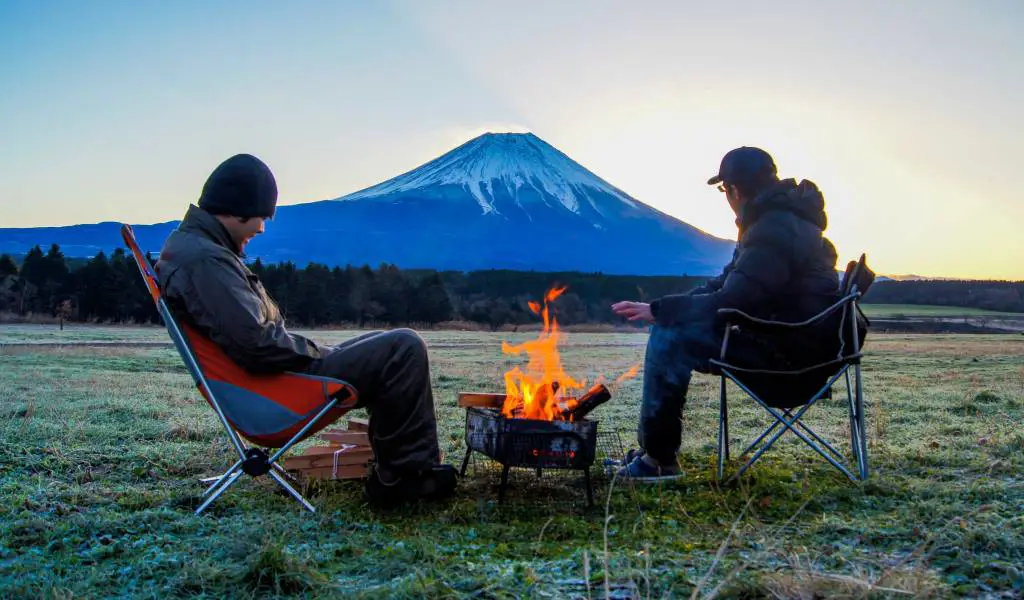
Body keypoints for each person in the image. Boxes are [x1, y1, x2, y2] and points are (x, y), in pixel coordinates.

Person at [155, 153, 456, 506]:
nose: (262, 229)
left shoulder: (197, 250)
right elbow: (256, 344)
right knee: (403, 347)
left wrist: (320, 352)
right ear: (237, 209)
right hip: (272, 388)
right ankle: (406, 478)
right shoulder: (206, 260)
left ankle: (399, 471)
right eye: (262, 217)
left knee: (383, 343)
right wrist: (316, 353)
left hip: (269, 379)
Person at [612, 147, 841, 481]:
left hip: (789, 363)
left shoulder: (772, 229)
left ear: (733, 190)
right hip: (799, 348)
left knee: (668, 337)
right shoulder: (784, 222)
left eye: (724, 191)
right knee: (668, 324)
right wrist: (663, 307)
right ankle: (654, 453)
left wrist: (662, 314)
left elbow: (736, 299)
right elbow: (726, 284)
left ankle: (658, 460)